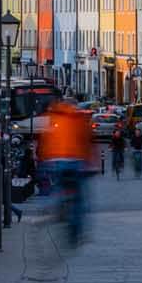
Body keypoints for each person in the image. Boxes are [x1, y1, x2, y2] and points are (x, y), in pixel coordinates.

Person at [39, 98, 93, 245]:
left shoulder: (54, 116)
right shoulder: (80, 118)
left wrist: (44, 159)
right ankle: (77, 230)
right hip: (76, 161)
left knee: (54, 186)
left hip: (56, 160)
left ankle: (49, 208)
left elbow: (46, 139)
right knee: (80, 197)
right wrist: (90, 163)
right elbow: (87, 141)